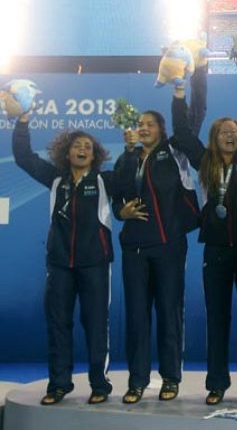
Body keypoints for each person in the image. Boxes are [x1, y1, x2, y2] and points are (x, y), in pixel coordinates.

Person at [13, 114, 120, 405]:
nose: (81, 149)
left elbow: (131, 175)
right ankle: (59, 384)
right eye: (76, 145)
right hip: (60, 265)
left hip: (95, 264)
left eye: (87, 145)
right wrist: (22, 120)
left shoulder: (102, 180)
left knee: (96, 324)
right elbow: (23, 156)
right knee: (58, 323)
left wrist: (133, 147)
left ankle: (100, 384)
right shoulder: (55, 179)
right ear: (66, 152)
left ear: (95, 154)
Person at [168, 66, 237, 405]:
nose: (230, 135)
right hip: (217, 252)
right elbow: (180, 130)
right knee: (217, 317)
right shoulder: (204, 161)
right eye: (224, 131)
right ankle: (217, 383)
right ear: (214, 137)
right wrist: (184, 89)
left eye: (235, 130)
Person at [113, 106, 200, 404]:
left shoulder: (175, 150)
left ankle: (170, 378)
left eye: (150, 124)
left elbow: (193, 117)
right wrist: (119, 212)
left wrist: (186, 82)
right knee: (136, 317)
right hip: (134, 248)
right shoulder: (128, 158)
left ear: (162, 130)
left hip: (168, 245)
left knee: (169, 312)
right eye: (140, 124)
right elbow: (117, 193)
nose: (144, 128)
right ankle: (137, 381)